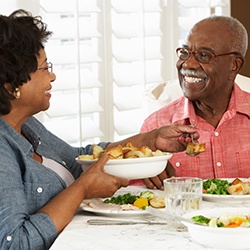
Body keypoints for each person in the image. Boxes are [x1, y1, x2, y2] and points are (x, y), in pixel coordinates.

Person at [0, 9, 199, 250]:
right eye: (44, 68)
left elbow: (79, 160)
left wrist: (150, 139)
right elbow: (15, 243)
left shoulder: (26, 125)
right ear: (11, 86)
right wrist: (83, 188)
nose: (52, 76)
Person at [139, 15, 250, 190]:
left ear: (234, 65)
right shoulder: (154, 128)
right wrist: (142, 173)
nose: (188, 64)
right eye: (184, 53)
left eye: (204, 55)